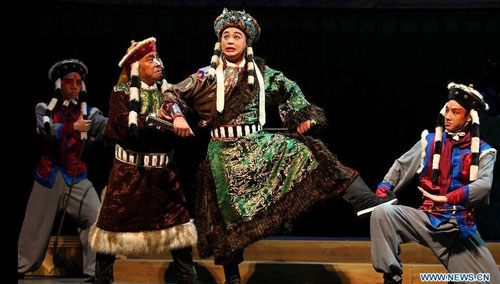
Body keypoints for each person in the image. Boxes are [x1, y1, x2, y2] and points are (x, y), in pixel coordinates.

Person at [162, 9, 396, 283]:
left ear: (247, 43)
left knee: (309, 152)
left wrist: (300, 118)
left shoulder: (262, 75)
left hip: (258, 145)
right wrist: (177, 115)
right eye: (226, 36)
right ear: (219, 43)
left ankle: (363, 199)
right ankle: (233, 278)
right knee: (226, 219)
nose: (230, 40)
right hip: (223, 155)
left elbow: (290, 92)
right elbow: (171, 92)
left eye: (237, 36)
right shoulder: (207, 75)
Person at [89, 37, 198, 284]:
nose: (158, 62)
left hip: (163, 175)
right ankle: (102, 279)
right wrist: (155, 119)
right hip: (129, 174)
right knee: (111, 228)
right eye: (151, 59)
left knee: (179, 228)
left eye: (158, 58)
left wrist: (178, 120)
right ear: (135, 68)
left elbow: (185, 120)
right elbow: (120, 125)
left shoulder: (171, 94)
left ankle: (188, 279)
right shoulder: (121, 93)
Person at [370, 83, 500, 284]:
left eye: (455, 112)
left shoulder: (484, 152)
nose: (448, 116)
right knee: (382, 213)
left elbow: (483, 186)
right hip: (427, 220)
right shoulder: (430, 142)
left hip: (458, 229)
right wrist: (384, 189)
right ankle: (392, 278)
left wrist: (447, 198)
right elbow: (401, 166)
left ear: (468, 118)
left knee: (490, 280)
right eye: (447, 110)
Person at [18, 59, 107, 282]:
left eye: (78, 82)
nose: (75, 86)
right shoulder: (44, 109)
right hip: (49, 176)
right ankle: (21, 266)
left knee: (96, 216)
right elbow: (48, 131)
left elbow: (103, 125)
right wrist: (73, 128)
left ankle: (93, 273)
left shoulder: (88, 112)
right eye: (69, 82)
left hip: (77, 177)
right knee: (34, 230)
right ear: (60, 85)